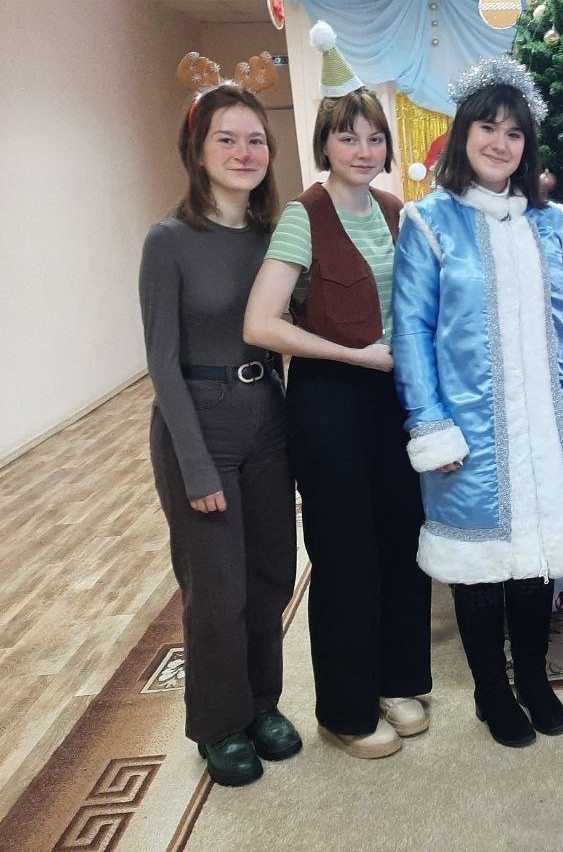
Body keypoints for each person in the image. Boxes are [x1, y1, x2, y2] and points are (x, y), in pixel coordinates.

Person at [391, 57, 563, 748]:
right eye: (487, 127)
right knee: (481, 566)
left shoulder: (551, 226)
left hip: (545, 425)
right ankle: (492, 689)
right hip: (470, 432)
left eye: (513, 133)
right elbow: (411, 331)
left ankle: (535, 681)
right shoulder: (428, 223)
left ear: (528, 146)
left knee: (536, 561)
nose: (499, 142)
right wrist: (431, 426)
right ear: (462, 135)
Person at [243, 22, 432, 760]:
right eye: (348, 138)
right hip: (328, 403)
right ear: (325, 145)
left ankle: (394, 679)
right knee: (346, 555)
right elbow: (262, 323)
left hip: (390, 401)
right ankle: (346, 711)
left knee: (399, 543)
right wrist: (350, 354)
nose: (364, 150)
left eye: (374, 138)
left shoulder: (393, 213)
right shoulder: (303, 214)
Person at [140, 65, 300, 787]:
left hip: (267, 418)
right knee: (216, 590)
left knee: (270, 577)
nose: (244, 152)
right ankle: (218, 723)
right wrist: (197, 467)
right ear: (196, 149)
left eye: (256, 140)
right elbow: (162, 365)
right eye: (226, 139)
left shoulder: (274, 235)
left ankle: (263, 706)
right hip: (199, 426)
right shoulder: (167, 241)